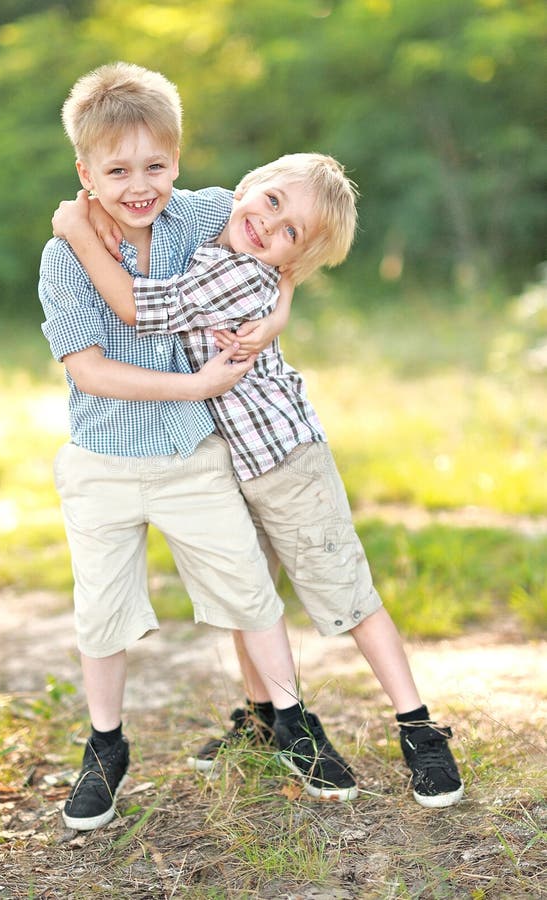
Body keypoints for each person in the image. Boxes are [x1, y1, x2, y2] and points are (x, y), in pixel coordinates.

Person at [51, 151, 465, 810]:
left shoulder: (235, 273)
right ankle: (262, 719)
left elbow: (134, 305)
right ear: (247, 188)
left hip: (286, 463)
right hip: (227, 459)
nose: (269, 226)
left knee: (346, 594)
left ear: (291, 258)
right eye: (270, 202)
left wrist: (74, 228)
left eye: (290, 233)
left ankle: (418, 728)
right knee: (251, 596)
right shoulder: (211, 222)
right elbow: (164, 196)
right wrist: (89, 211)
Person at [39, 62, 362, 833]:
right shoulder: (64, 256)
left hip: (194, 454)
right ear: (86, 172)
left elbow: (285, 240)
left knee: (247, 589)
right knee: (101, 611)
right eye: (116, 171)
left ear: (177, 162)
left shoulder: (200, 213)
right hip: (104, 460)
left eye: (155, 166)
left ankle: (289, 722)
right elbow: (89, 369)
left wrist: (278, 313)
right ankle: (105, 747)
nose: (138, 185)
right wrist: (197, 387)